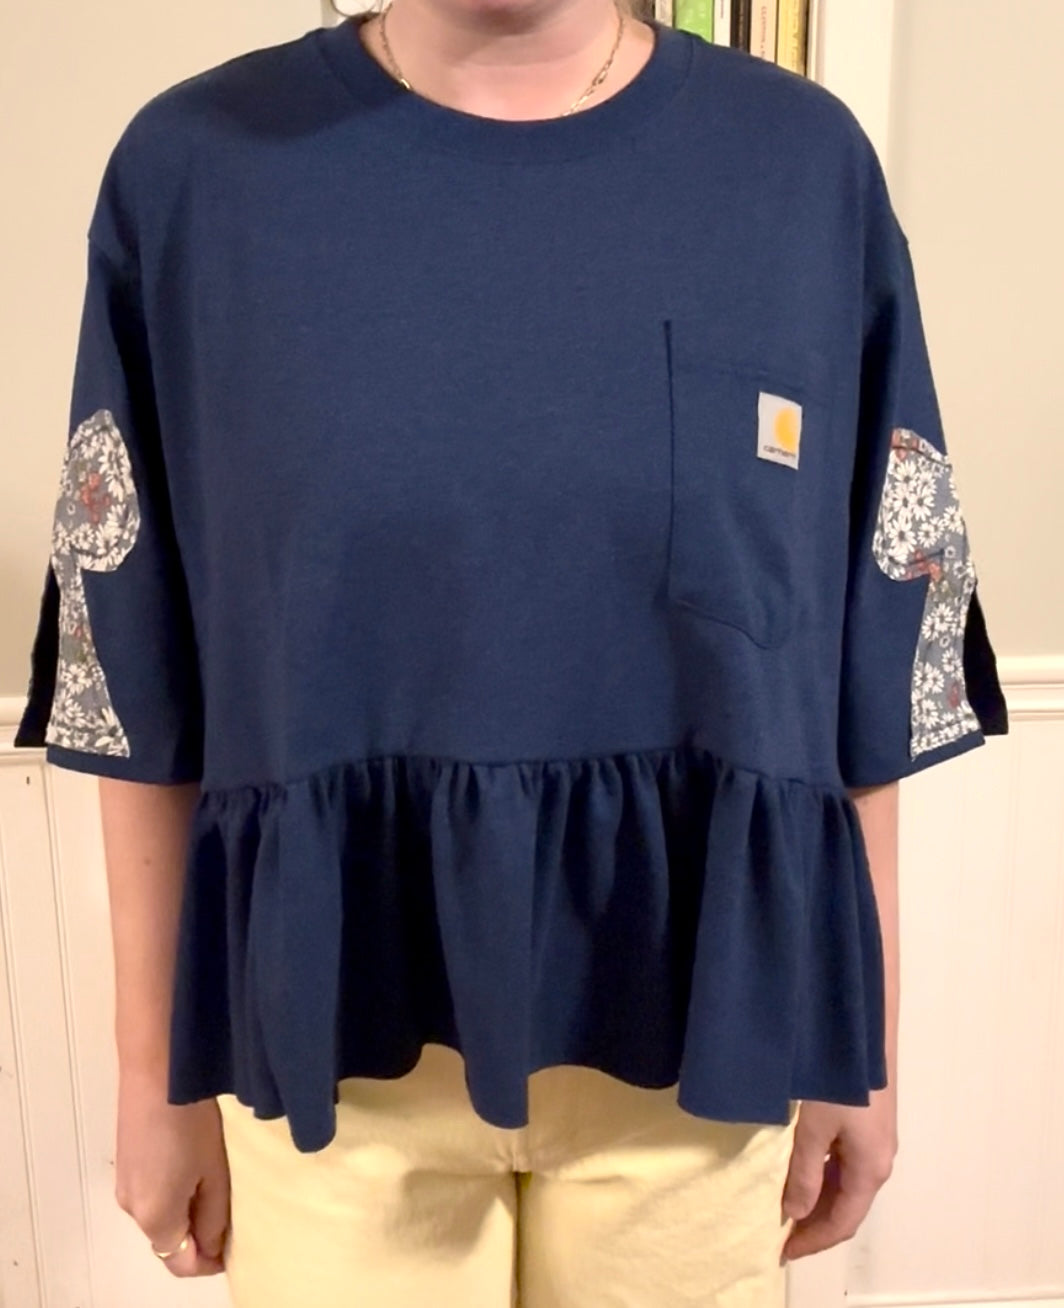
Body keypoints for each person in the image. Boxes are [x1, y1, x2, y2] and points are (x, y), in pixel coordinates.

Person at [13, 0, 1008, 1302]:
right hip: (332, 1070)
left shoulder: (801, 169)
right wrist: (154, 1080)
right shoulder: (197, 171)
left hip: (700, 1064)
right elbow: (133, 674)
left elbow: (860, 669)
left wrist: (858, 1047)